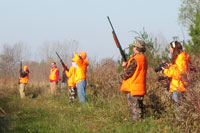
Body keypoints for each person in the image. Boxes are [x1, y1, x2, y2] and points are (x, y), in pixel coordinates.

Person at [120, 40, 147, 123]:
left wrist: (124, 69)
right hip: (140, 87)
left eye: (134, 46)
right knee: (139, 110)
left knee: (135, 115)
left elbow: (127, 73)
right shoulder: (143, 58)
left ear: (136, 48)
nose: (133, 48)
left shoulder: (136, 59)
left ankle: (137, 128)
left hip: (134, 89)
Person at [162, 41, 190, 106]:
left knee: (179, 110)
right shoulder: (181, 57)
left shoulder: (180, 58)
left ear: (174, 48)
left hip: (178, 87)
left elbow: (179, 74)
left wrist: (165, 71)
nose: (169, 49)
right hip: (179, 87)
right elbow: (178, 69)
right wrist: (170, 66)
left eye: (170, 48)